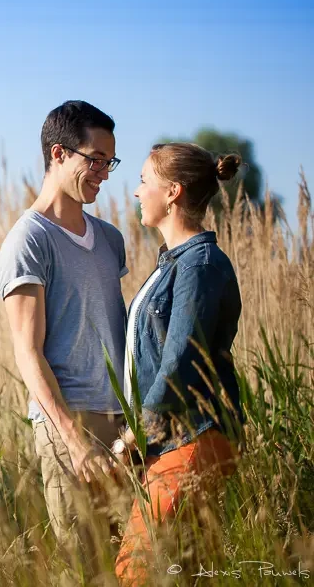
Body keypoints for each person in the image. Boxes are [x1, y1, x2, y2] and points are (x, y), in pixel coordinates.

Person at [0, 100, 130, 556]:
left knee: (135, 566)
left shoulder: (111, 239)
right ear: (58, 154)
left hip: (125, 429)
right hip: (70, 427)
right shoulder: (28, 241)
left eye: (109, 162)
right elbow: (27, 353)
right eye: (95, 160)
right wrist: (73, 442)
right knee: (87, 568)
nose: (105, 173)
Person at [113, 143, 245, 584]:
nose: (135, 192)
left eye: (144, 182)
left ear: (172, 192)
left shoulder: (200, 266)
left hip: (194, 436)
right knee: (185, 570)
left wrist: (136, 430)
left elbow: (182, 358)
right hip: (170, 440)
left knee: (137, 568)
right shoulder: (172, 265)